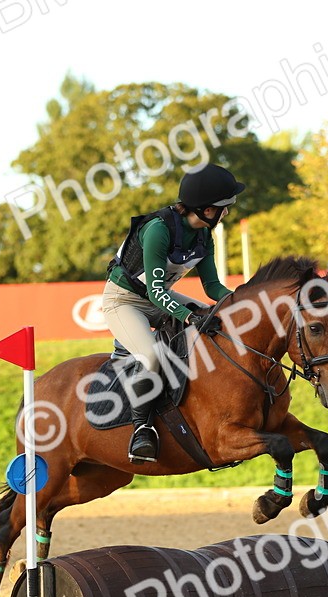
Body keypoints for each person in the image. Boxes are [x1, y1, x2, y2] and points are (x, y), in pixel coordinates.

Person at [103, 163, 244, 463]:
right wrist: (189, 317)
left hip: (157, 298)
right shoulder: (158, 230)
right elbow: (156, 292)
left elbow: (212, 287)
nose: (226, 213)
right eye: (224, 207)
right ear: (207, 209)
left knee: (214, 321)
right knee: (151, 356)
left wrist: (241, 301)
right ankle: (141, 430)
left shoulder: (204, 235)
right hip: (124, 301)